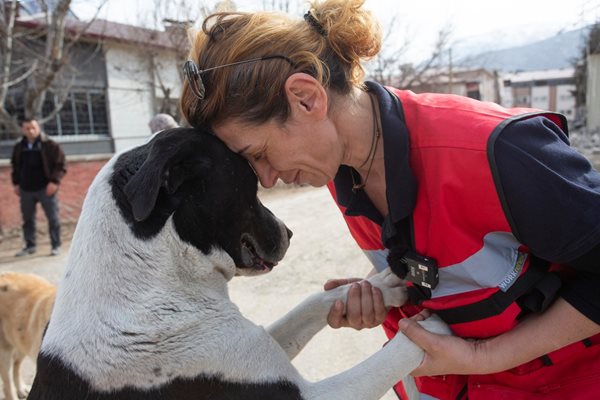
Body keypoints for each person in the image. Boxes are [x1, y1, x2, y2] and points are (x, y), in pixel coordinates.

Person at [179, 1, 600, 398]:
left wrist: (482, 357)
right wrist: (387, 292)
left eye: (258, 153)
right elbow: (453, 270)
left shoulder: (498, 150)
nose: (267, 179)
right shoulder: (338, 170)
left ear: (306, 98)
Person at [11, 118, 66, 257]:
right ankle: (30, 245)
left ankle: (56, 245)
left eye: (33, 127)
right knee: (28, 219)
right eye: (27, 128)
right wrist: (16, 183)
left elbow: (61, 165)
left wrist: (54, 182)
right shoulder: (19, 146)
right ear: (23, 129)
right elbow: (15, 166)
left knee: (53, 218)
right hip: (26, 189)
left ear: (38, 128)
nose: (30, 131)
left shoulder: (50, 145)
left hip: (46, 188)